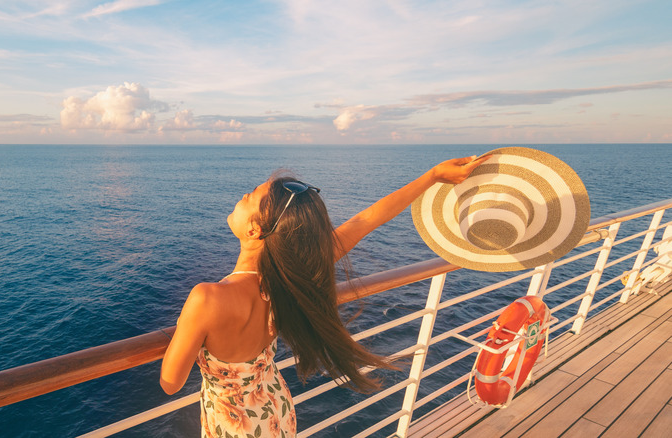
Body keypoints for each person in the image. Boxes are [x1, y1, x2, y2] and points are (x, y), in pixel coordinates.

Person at [160, 155, 488, 437]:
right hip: (275, 409)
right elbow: (366, 220)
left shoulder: (207, 299)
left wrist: (188, 328)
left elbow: (170, 383)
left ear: (254, 230)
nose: (243, 195)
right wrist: (433, 176)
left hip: (235, 426)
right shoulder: (293, 273)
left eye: (250, 197)